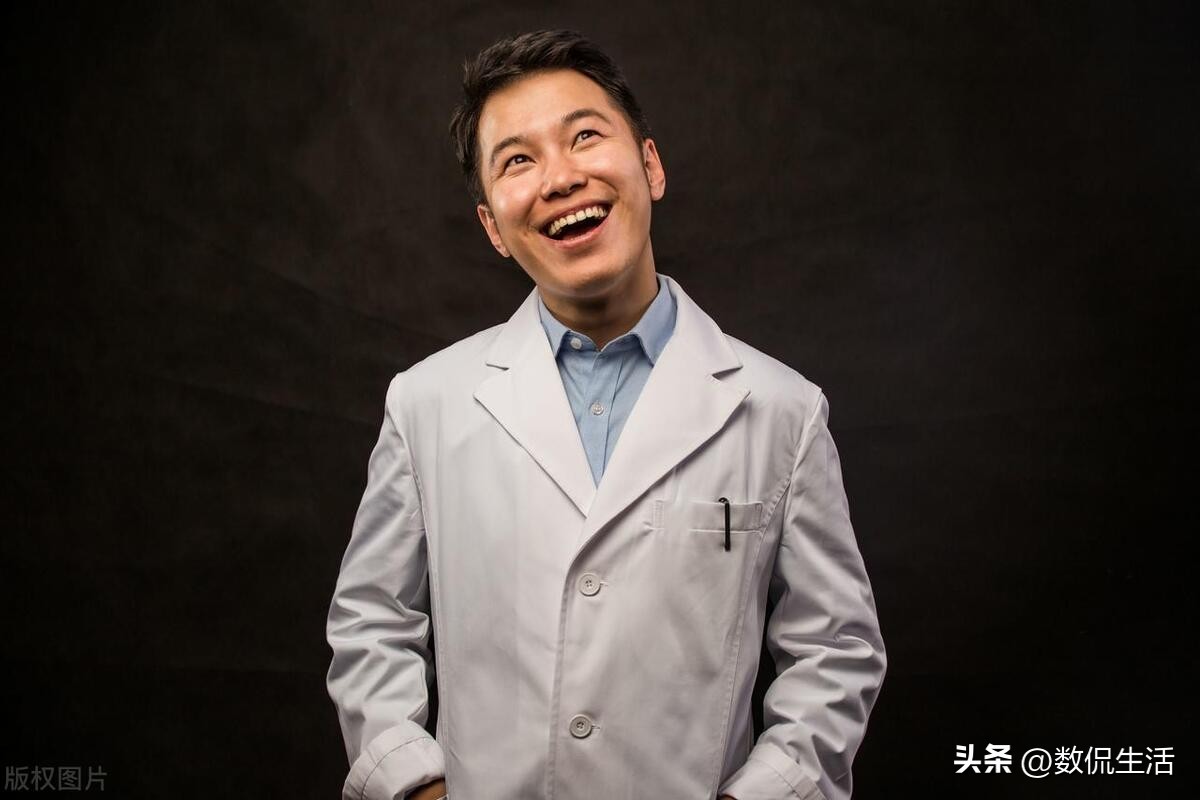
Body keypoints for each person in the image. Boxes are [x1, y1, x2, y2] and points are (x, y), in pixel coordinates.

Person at [326, 29, 885, 800]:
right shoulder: (426, 402)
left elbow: (835, 651)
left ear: (650, 165)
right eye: (517, 161)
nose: (560, 178)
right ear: (492, 226)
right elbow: (371, 622)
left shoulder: (782, 411)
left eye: (585, 135)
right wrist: (414, 785)